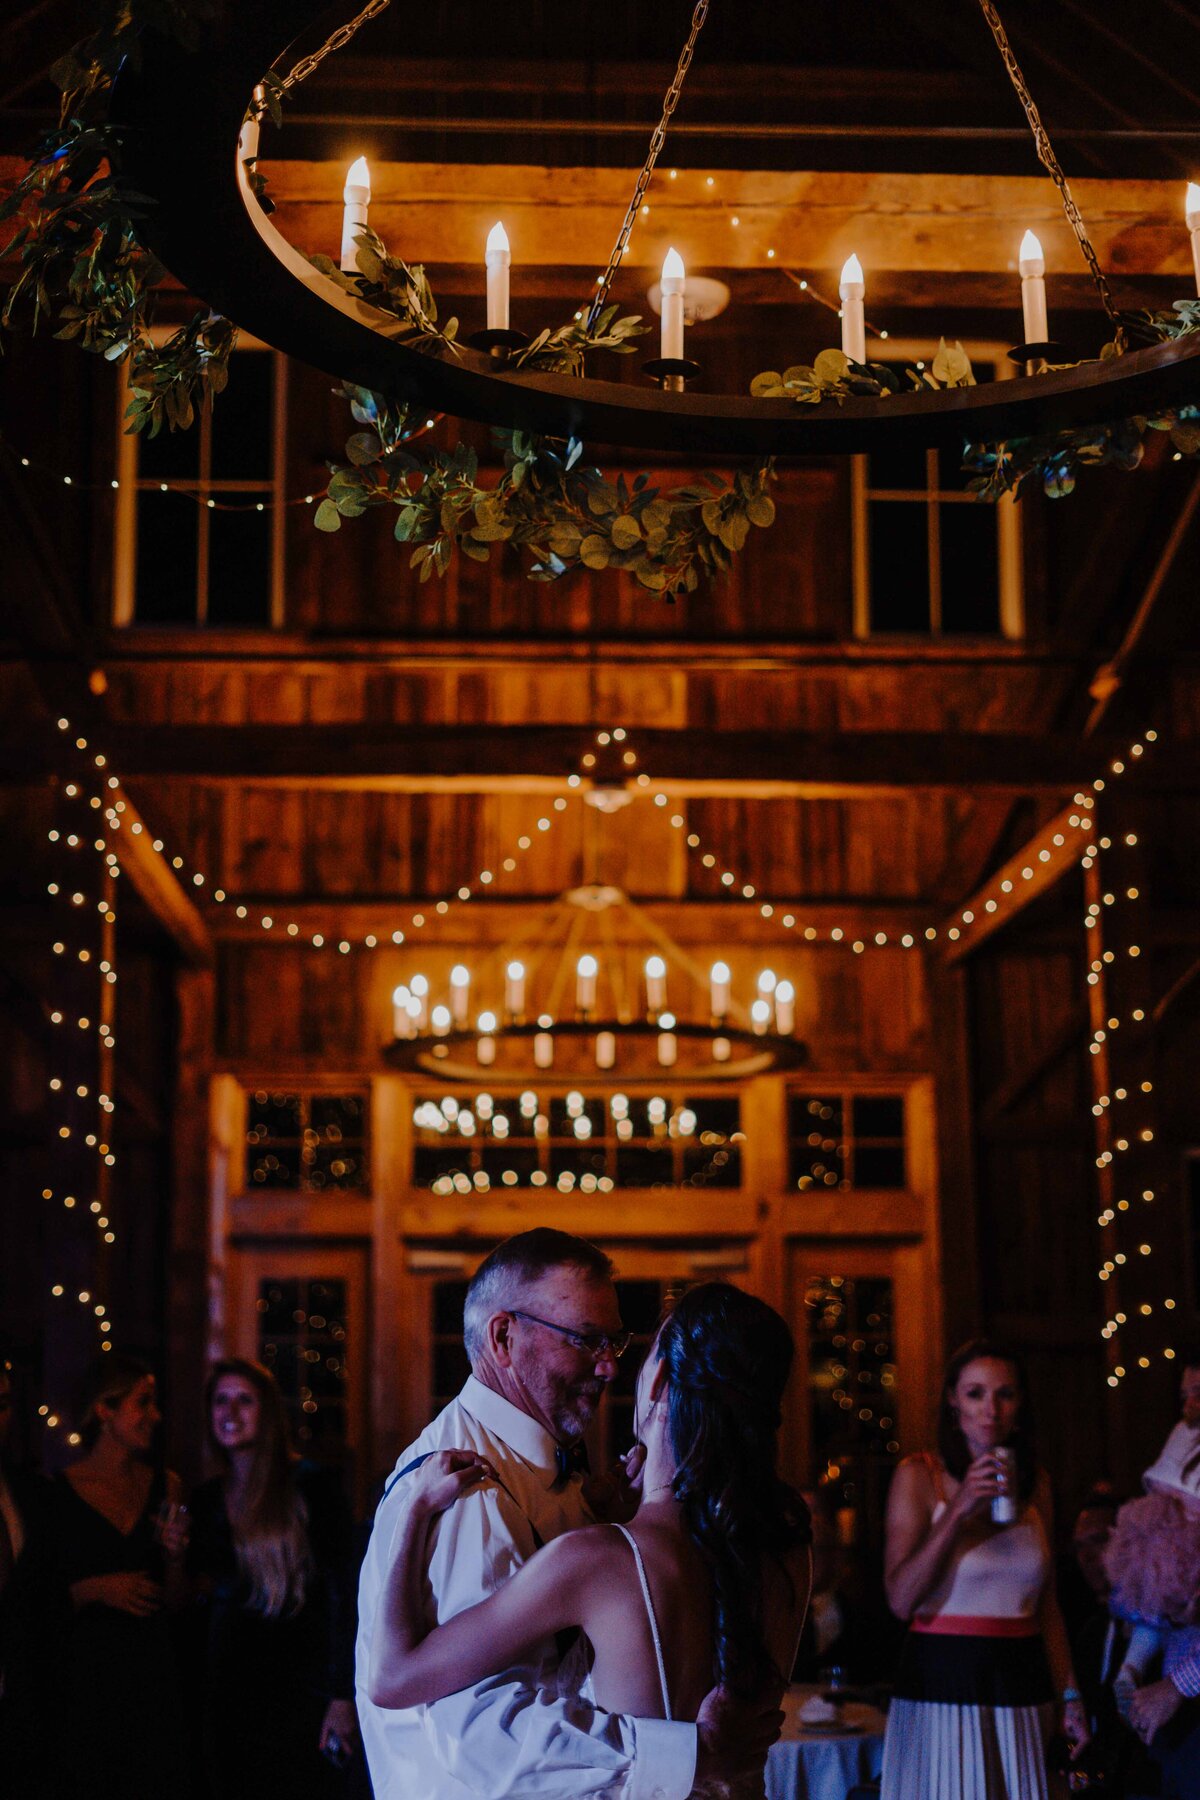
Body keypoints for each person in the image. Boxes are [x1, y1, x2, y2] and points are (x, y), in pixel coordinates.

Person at [356, 1229, 792, 1799]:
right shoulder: (469, 1487)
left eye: (615, 1342)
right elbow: (482, 1734)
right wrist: (693, 1753)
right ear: (504, 1336)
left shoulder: (571, 1491)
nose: (610, 1367)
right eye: (586, 1340)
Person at [878, 1338, 1089, 1800]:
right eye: (975, 1393)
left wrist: (1070, 1696)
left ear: (1019, 1404)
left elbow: (1048, 1604)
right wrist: (958, 1510)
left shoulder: (1038, 1486)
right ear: (953, 1400)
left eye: (1005, 1394)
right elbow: (900, 1599)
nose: (990, 1409)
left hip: (1022, 1675)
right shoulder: (920, 1475)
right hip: (943, 1680)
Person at [188, 1356, 360, 1799]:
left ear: (266, 1411)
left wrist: (343, 1696)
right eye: (220, 1401)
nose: (230, 1413)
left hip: (299, 1689)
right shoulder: (205, 1500)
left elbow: (347, 1593)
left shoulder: (312, 1486)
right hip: (226, 1691)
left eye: (244, 1400)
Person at [43, 1352, 190, 1800]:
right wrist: (96, 1589)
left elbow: (179, 1603)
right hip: (86, 1680)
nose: (155, 1416)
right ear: (105, 1410)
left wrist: (177, 1556)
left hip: (152, 1675)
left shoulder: (167, 1485)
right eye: (143, 1403)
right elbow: (38, 1604)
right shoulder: (58, 1492)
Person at [1105, 1352, 1200, 1796]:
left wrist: (1176, 1687)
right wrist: (1133, 1668)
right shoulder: (1182, 1443)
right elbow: (1161, 1604)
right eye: (1186, 1395)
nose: (1190, 1407)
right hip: (1181, 1734)